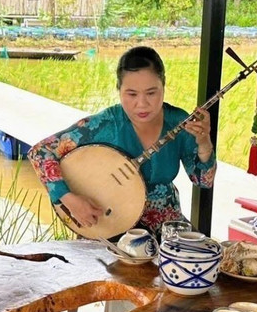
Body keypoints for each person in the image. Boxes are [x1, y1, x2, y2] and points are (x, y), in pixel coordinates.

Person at [28, 46, 216, 236]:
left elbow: (202, 181)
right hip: (110, 227)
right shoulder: (105, 124)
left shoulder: (178, 121)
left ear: (163, 86)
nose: (142, 103)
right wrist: (68, 198)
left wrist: (204, 142)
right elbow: (40, 152)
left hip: (165, 226)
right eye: (132, 94)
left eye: (151, 93)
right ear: (119, 90)